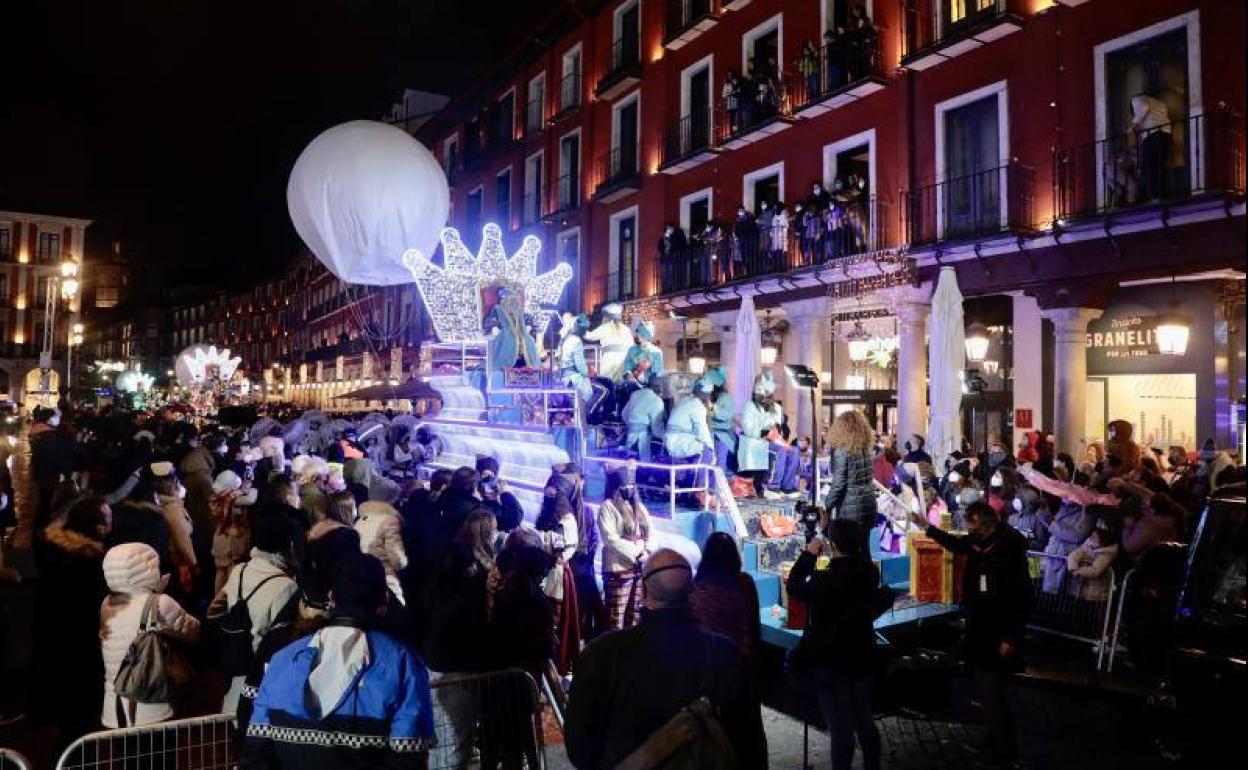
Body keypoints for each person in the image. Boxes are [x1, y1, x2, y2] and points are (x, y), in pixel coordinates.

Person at [565, 549, 767, 770]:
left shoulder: (600, 655)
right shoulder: (729, 655)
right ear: (693, 592)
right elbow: (751, 747)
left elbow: (581, 751)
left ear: (642, 590)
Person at [241, 554, 435, 769]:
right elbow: (408, 759)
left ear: (331, 596)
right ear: (385, 598)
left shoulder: (282, 660)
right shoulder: (403, 663)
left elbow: (255, 755)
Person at [907, 501, 1030, 766]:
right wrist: (926, 527)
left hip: (998, 631)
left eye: (973, 525)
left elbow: (1019, 599)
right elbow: (956, 544)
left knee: (994, 690)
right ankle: (992, 737)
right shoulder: (979, 542)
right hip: (980, 626)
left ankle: (1004, 749)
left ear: (985, 524)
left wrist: (1010, 637)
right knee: (986, 690)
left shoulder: (1008, 549)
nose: (970, 531)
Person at [786, 519, 892, 770]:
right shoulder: (869, 572)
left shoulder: (826, 581)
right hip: (860, 653)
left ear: (832, 544)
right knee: (864, 718)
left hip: (830, 659)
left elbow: (793, 586)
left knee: (840, 727)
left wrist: (809, 554)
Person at [31, 497, 111, 745]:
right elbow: (92, 606)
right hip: (79, 642)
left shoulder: (51, 549)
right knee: (78, 714)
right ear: (97, 527)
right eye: (107, 519)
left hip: (51, 636)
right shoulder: (89, 561)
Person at [208, 514, 302, 715]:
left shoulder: (240, 570)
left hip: (236, 669)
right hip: (261, 675)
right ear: (289, 545)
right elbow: (281, 639)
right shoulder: (287, 587)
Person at [100, 542, 201, 728]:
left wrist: (153, 592)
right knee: (161, 755)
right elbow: (194, 633)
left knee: (127, 756)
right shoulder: (161, 603)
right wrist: (159, 595)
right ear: (148, 569)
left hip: (116, 708)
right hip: (154, 706)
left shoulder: (107, 604)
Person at [690, 532, 761, 661]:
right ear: (734, 555)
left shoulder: (697, 586)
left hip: (707, 661)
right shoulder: (744, 582)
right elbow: (754, 625)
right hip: (739, 657)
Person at [598, 466, 652, 631]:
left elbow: (651, 531)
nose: (628, 489)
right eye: (625, 486)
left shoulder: (640, 508)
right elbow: (610, 538)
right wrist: (636, 553)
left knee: (634, 616)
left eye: (631, 485)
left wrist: (647, 551)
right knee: (616, 618)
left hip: (638, 569)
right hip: (618, 570)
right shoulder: (608, 507)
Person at [153, 462, 198, 597]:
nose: (178, 485)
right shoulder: (172, 509)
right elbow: (182, 540)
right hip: (181, 564)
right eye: (174, 481)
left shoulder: (169, 504)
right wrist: (194, 564)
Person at [356, 492, 409, 605]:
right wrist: (405, 563)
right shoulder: (389, 521)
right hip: (385, 576)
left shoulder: (361, 519)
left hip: (365, 574)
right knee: (396, 609)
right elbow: (397, 559)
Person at [1131, 91, 1172, 200]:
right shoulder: (1159, 102)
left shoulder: (1136, 99)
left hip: (1152, 135)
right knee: (1160, 165)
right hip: (1166, 133)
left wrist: (1132, 126)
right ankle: (1163, 194)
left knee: (1151, 166)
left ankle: (1155, 196)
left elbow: (1144, 108)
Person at [1067, 520, 1119, 602]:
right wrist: (1073, 568)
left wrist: (1078, 572)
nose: (1091, 539)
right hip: (1082, 592)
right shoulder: (1086, 548)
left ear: (1103, 539)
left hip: (1097, 595)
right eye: (1091, 536)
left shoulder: (1107, 554)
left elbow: (1095, 570)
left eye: (1094, 537)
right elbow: (1073, 555)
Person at [585, 302, 635, 382]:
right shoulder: (626, 329)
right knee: (622, 386)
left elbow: (589, 336)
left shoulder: (605, 327)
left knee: (606, 384)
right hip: (624, 361)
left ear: (607, 317)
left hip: (609, 361)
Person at [621, 380, 666, 461]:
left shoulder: (635, 394)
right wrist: (667, 437)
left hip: (629, 436)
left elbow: (624, 414)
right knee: (643, 464)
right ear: (660, 388)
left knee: (628, 462)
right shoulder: (657, 400)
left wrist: (631, 426)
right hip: (642, 439)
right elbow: (657, 428)